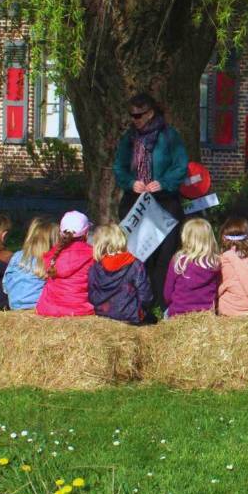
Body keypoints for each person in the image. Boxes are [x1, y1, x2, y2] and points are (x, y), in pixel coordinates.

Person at [113, 92, 189, 307]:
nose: (134, 120)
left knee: (164, 254)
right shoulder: (128, 139)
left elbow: (180, 165)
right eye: (131, 115)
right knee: (137, 252)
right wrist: (130, 182)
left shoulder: (169, 136)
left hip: (165, 202)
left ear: (151, 113)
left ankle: (161, 301)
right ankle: (138, 300)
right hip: (136, 201)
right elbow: (119, 167)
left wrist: (163, 182)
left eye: (138, 115)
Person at [87, 224, 152, 325]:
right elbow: (145, 296)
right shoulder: (135, 265)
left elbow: (92, 296)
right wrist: (141, 311)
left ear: (98, 244)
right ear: (121, 239)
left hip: (102, 316)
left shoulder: (95, 268)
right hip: (130, 317)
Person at [36, 211, 95, 317]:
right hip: (80, 310)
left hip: (48, 309)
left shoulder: (52, 254)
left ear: (60, 233)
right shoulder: (92, 254)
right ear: (86, 233)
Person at [163, 217, 221, 317]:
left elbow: (167, 294)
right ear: (209, 239)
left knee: (164, 313)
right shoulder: (216, 263)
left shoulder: (178, 261)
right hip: (206, 314)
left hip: (179, 314)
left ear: (186, 238)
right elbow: (218, 291)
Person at [3, 217, 59, 310]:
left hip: (15, 305)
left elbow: (5, 286)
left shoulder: (17, 256)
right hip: (39, 307)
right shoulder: (52, 261)